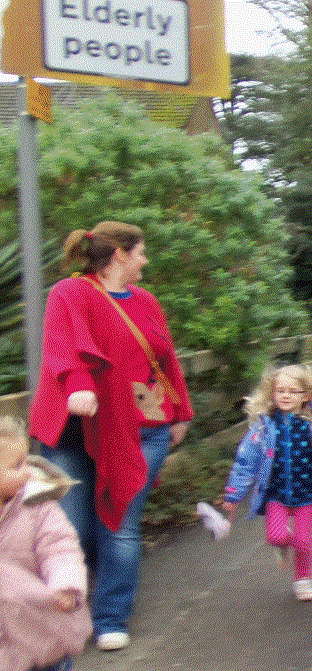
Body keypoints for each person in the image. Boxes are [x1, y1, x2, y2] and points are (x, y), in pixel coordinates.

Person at [29, 221, 193, 652]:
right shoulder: (70, 292)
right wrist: (79, 383)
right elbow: (63, 345)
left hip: (141, 428)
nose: (145, 260)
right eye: (140, 252)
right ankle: (62, 613)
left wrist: (181, 412)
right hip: (76, 432)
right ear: (119, 254)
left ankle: (110, 618)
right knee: (71, 528)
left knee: (118, 522)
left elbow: (166, 358)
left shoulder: (146, 301)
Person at [221, 364, 312, 602]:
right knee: (276, 537)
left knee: (304, 541)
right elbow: (246, 459)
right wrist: (234, 494)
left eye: (292, 391)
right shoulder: (265, 424)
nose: (286, 395)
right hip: (275, 494)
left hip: (306, 494)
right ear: (272, 394)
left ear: (305, 396)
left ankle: (303, 579)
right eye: (280, 391)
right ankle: (285, 542)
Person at [0, 417, 92, 671]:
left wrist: (65, 584)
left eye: (26, 460)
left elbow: (59, 546)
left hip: (44, 631)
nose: (28, 471)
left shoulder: (36, 505)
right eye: (17, 465)